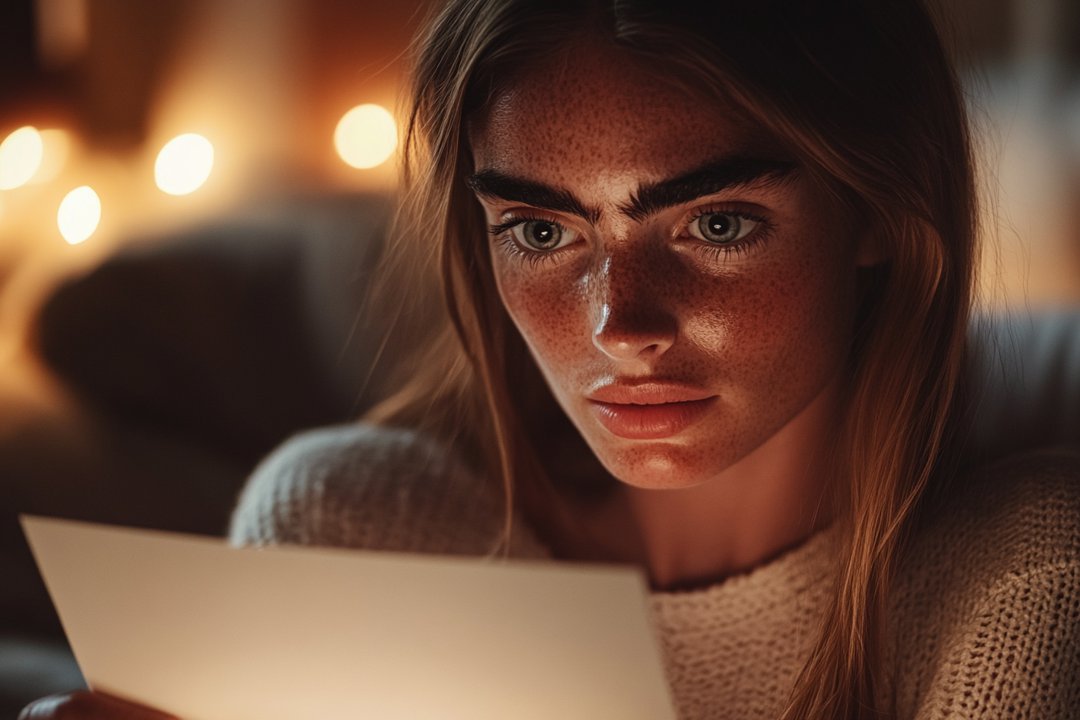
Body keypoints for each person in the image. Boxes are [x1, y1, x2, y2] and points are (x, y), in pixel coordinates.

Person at [21, 0, 1080, 718]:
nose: (621, 323)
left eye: (714, 225)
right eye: (541, 231)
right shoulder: (347, 536)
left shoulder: (1021, 582)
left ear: (882, 211)